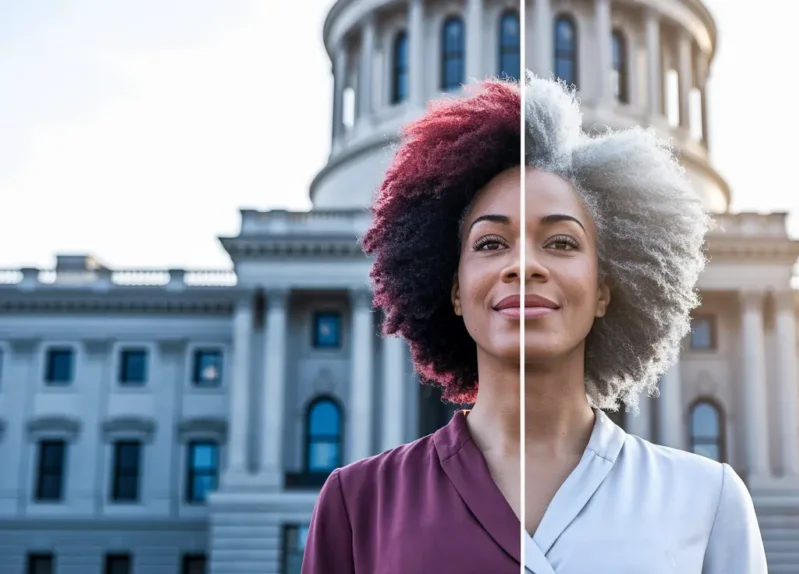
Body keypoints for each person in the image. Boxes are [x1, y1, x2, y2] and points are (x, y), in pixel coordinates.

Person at [301, 73, 767, 574]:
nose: (523, 266)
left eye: (562, 242)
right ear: (453, 289)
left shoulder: (708, 501)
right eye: (490, 243)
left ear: (606, 288)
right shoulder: (357, 503)